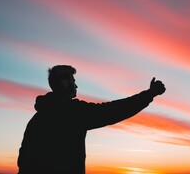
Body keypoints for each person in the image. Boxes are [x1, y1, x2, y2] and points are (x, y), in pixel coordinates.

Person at [17, 65, 166, 174]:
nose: (76, 85)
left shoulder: (37, 119)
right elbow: (112, 111)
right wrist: (149, 94)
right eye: (72, 80)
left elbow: (24, 161)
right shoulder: (72, 112)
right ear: (64, 83)